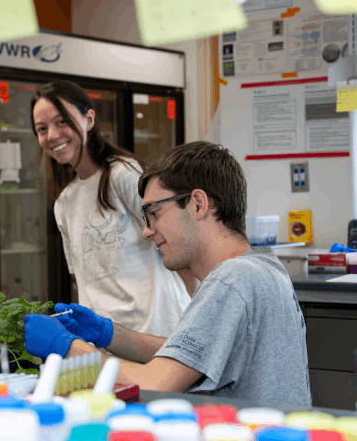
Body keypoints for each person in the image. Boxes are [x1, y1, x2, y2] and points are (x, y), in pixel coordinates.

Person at [23, 141, 311, 407]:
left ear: (198, 204)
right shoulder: (263, 268)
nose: (146, 231)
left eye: (155, 213)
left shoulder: (232, 280)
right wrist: (109, 334)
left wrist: (67, 347)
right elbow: (193, 356)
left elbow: (154, 383)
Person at [30, 80, 196, 338]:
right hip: (108, 341)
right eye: (42, 128)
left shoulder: (123, 174)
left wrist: (195, 316)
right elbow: (85, 281)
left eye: (61, 121)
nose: (52, 135)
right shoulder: (64, 202)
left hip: (160, 333)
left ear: (88, 119)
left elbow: (178, 247)